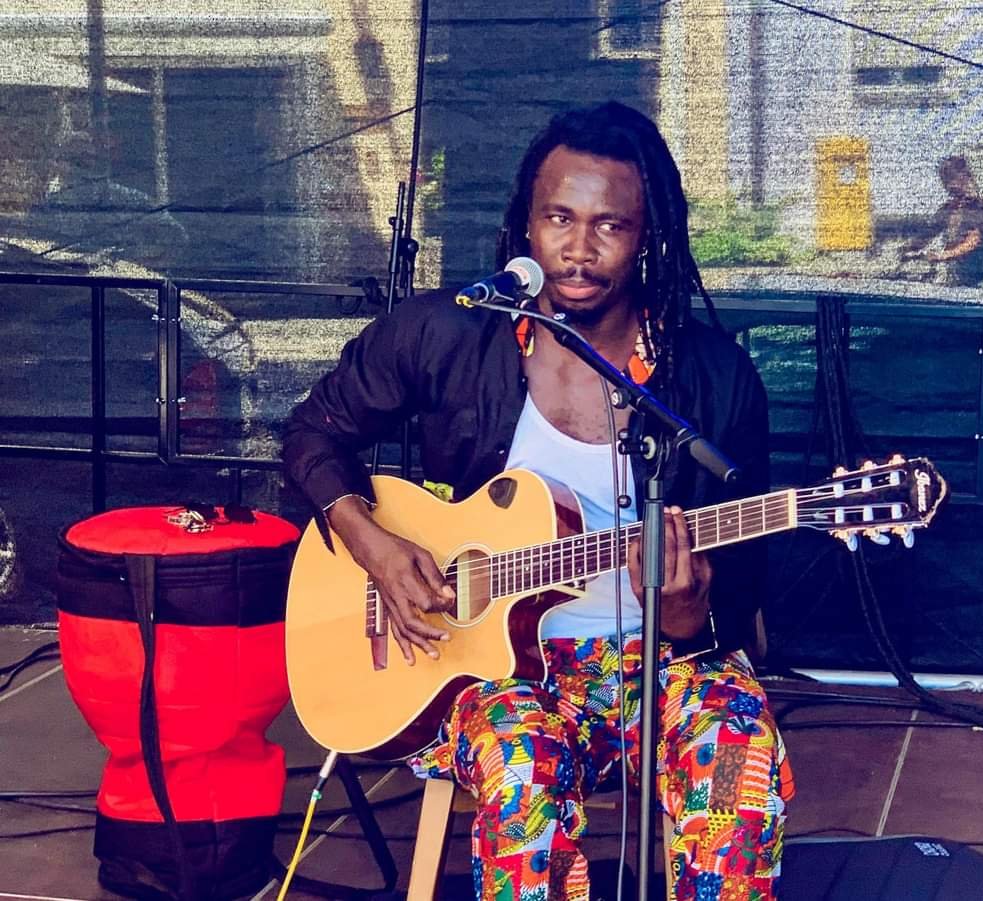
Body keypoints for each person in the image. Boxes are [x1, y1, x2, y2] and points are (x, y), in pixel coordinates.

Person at [283, 101, 793, 900]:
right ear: (526, 222)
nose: (577, 250)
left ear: (648, 235)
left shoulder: (717, 381)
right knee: (519, 766)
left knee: (737, 760)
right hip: (497, 676)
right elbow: (312, 436)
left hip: (670, 666)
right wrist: (376, 550)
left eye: (609, 226)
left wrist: (692, 617)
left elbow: (748, 593)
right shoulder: (448, 335)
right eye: (558, 218)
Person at [899, 155, 983, 286]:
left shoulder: (976, 206)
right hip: (951, 270)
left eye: (952, 178)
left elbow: (973, 241)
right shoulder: (947, 209)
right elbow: (926, 234)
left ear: (965, 177)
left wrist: (943, 255)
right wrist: (905, 249)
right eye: (945, 180)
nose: (949, 185)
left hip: (972, 274)